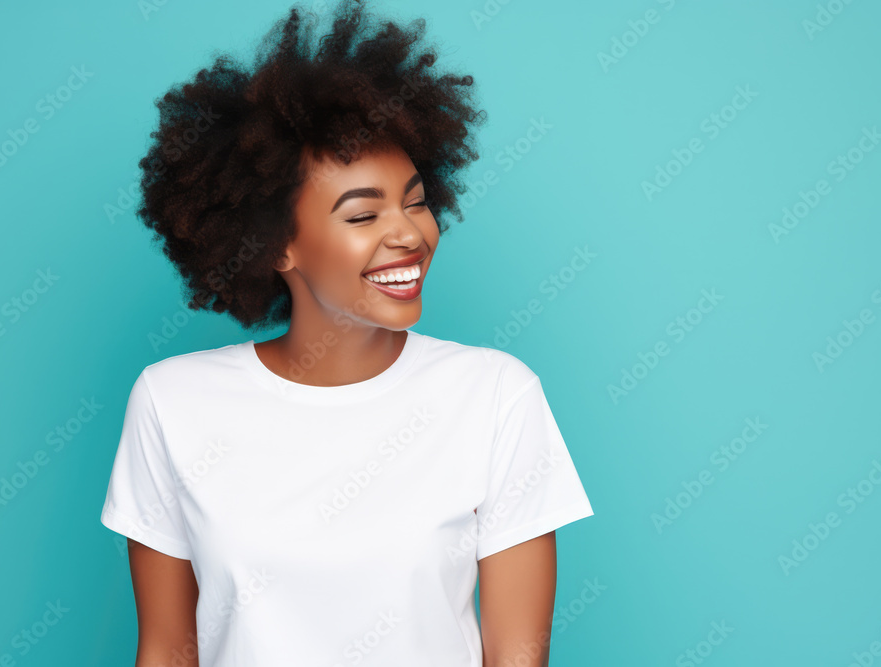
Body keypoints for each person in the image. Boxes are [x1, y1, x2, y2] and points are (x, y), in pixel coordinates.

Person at [99, 0, 594, 664]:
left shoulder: (496, 396)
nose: (408, 234)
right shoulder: (172, 402)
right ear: (277, 246)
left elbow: (517, 654)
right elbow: (164, 649)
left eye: (416, 201)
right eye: (363, 215)